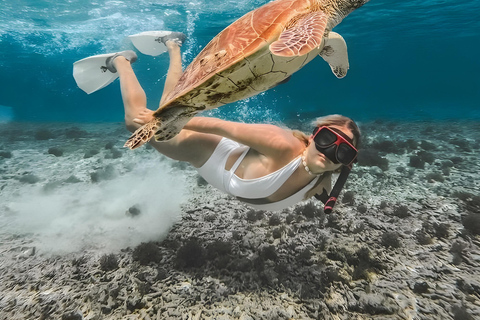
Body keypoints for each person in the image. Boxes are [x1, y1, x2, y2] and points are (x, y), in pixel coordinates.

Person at [105, 33, 361, 211]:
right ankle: (120, 60)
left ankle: (173, 46)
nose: (330, 152)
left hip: (226, 167)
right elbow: (222, 126)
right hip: (207, 153)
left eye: (343, 150)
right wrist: (159, 120)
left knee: (172, 102)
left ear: (348, 160)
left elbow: (326, 173)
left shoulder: (325, 178)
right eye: (327, 139)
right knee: (136, 121)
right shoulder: (283, 145)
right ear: (315, 135)